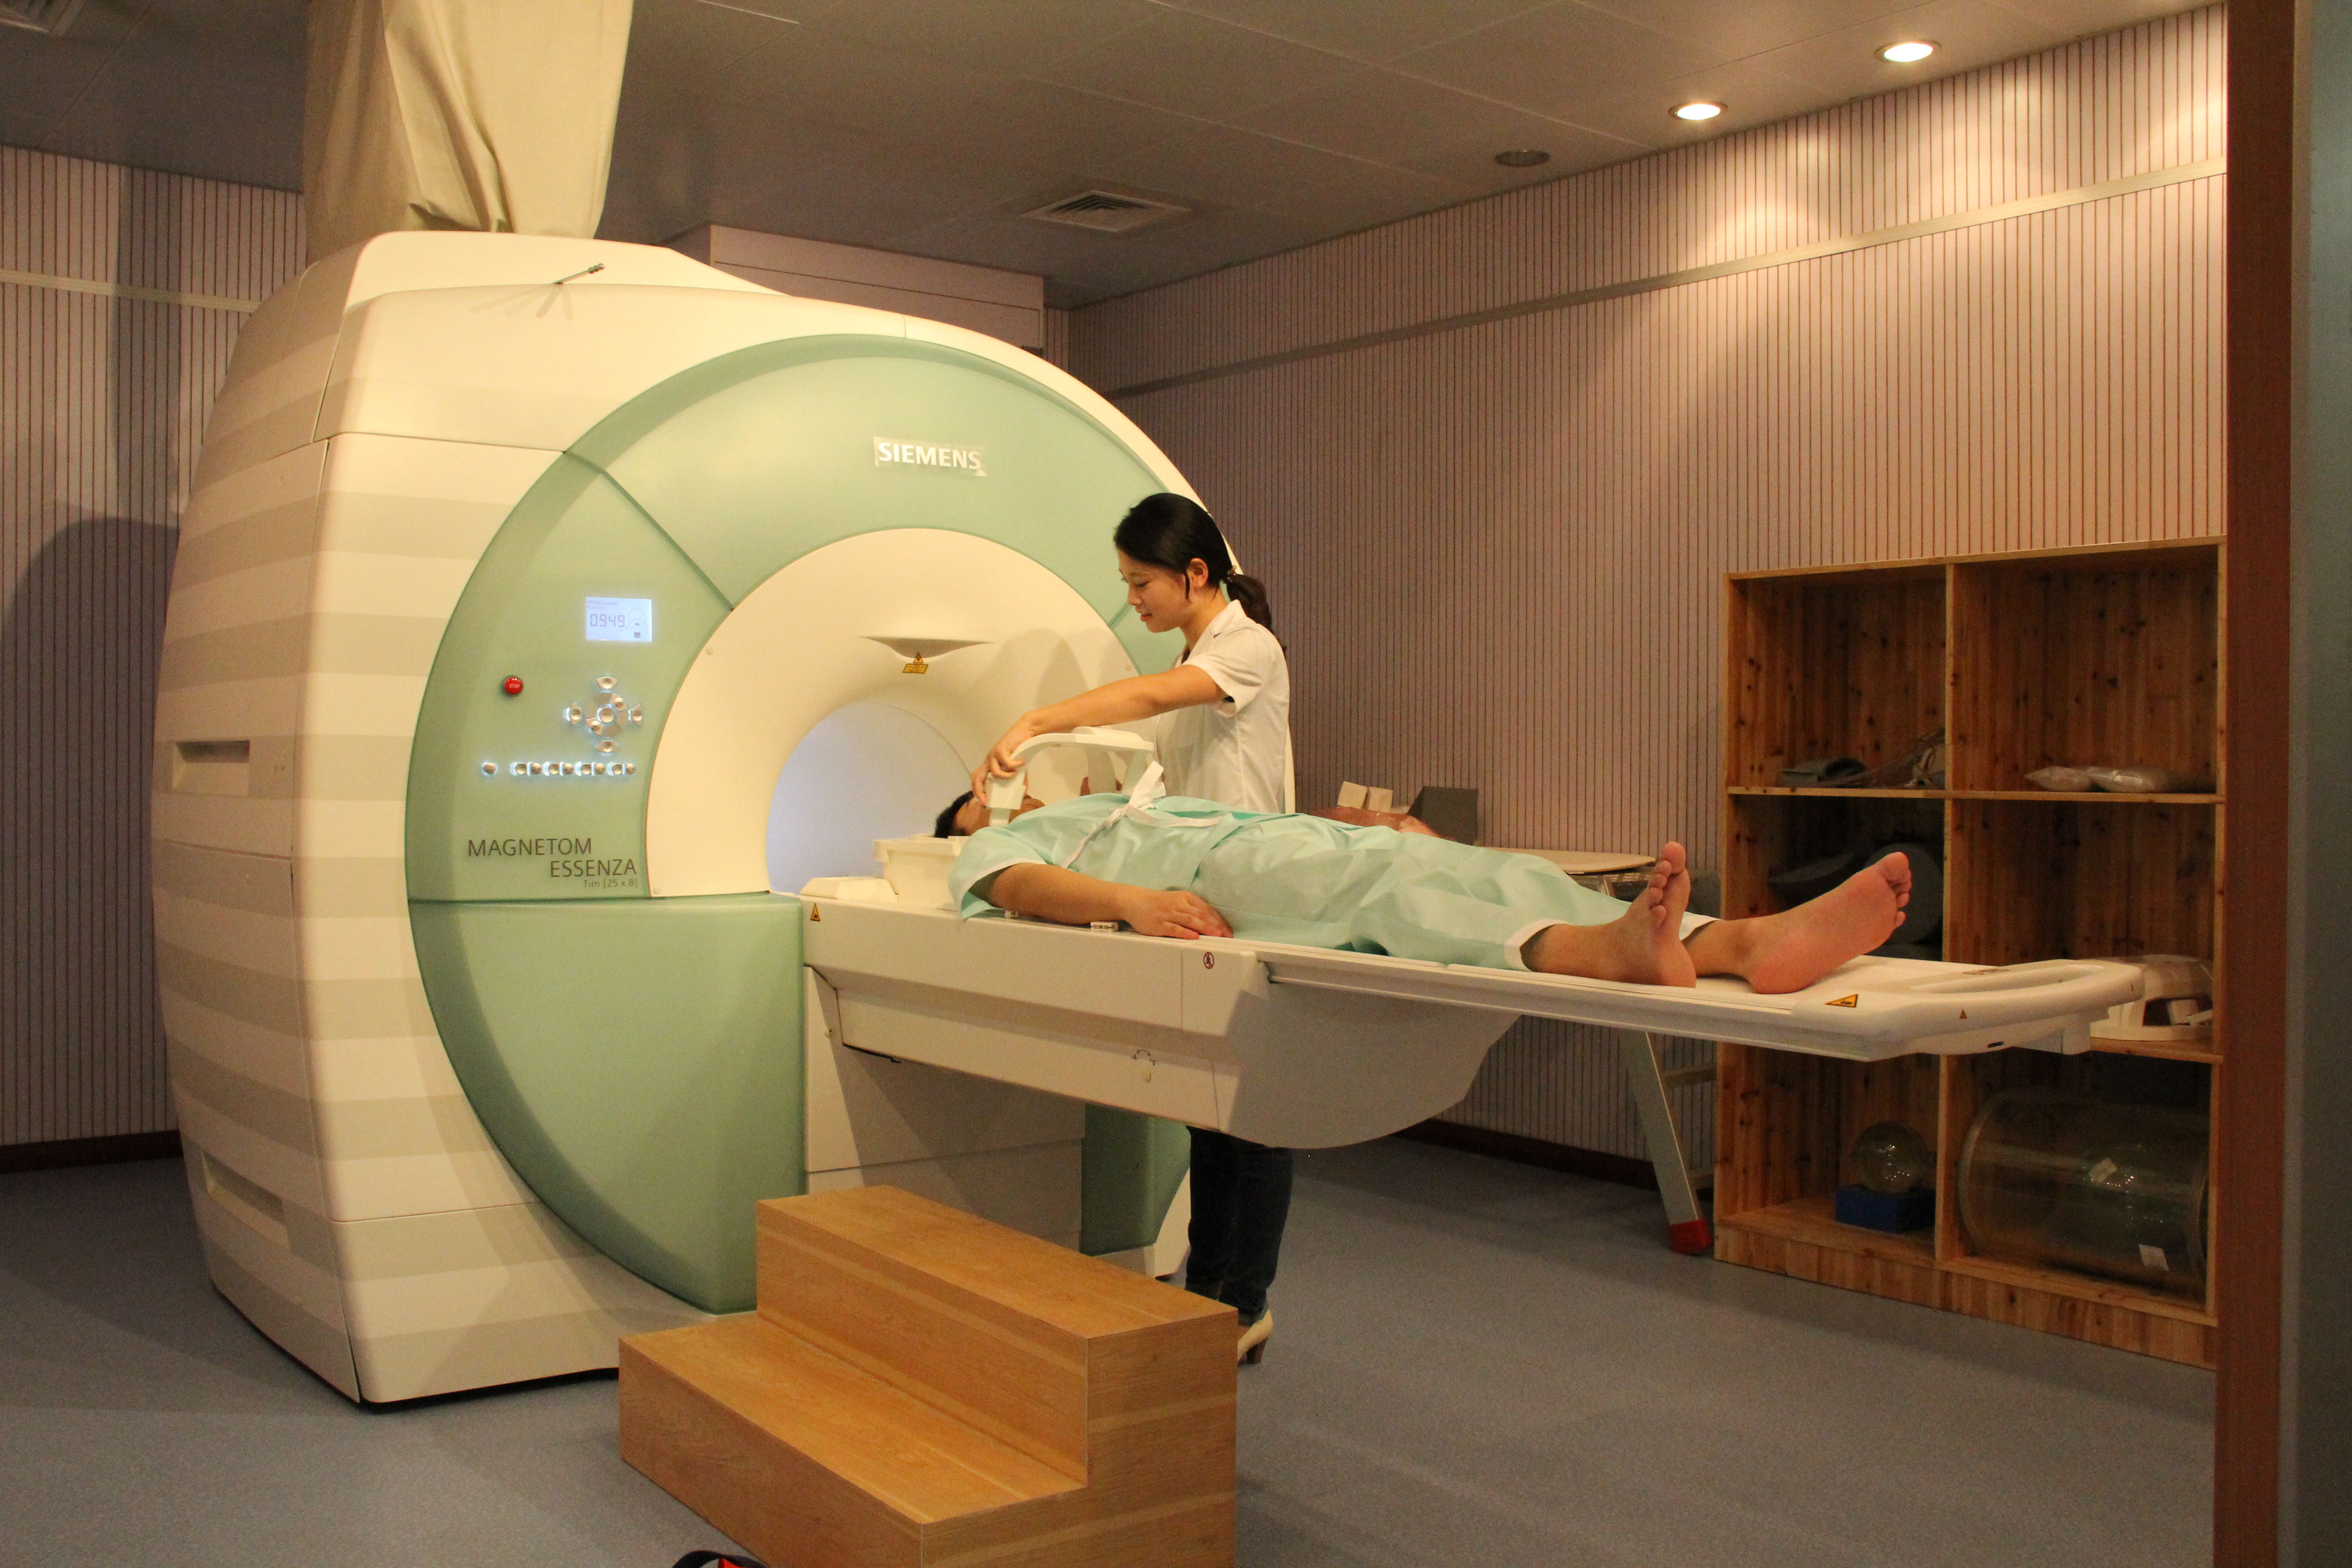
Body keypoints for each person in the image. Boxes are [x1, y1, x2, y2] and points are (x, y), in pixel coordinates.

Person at [968, 492, 1292, 1366]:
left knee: (1258, 1112)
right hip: (1202, 891)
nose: (1133, 599)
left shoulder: (1247, 649)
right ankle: (1208, 1295)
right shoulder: (1199, 657)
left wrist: (1037, 720)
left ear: (1196, 573)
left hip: (1255, 888)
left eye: (1141, 582)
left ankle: (1245, 1300)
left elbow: (1146, 697)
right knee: (1211, 1109)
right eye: (1126, 583)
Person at [941, 791, 1912, 995]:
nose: (1003, 791)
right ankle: (1600, 951)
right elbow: (1006, 881)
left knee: (1498, 871)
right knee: (1388, 899)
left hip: (1288, 841)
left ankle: (1740, 941)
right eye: (978, 798)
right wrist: (1130, 902)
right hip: (1215, 883)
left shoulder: (1128, 798)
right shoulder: (1022, 833)